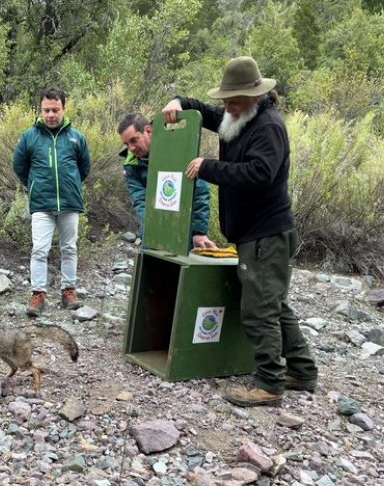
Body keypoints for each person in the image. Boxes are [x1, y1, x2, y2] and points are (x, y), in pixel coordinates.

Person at [161, 56, 318, 407]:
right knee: (273, 304)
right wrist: (180, 102)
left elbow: (260, 173)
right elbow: (206, 113)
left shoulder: (268, 127)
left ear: (254, 97)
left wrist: (209, 168)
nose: (226, 107)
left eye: (233, 101)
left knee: (259, 310)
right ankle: (303, 371)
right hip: (254, 233)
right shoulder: (238, 118)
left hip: (266, 234)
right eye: (225, 101)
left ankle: (269, 384)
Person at [13, 87, 91, 317]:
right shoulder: (30, 136)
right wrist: (35, 185)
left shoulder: (77, 137)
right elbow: (19, 166)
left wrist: (72, 184)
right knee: (39, 250)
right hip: (41, 204)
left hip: (69, 203)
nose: (50, 115)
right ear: (40, 109)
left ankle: (68, 293)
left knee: (69, 248)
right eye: (46, 110)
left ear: (63, 109)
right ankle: (38, 295)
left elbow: (84, 168)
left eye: (55, 110)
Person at [117, 112, 215, 249]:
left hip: (183, 232)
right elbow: (140, 201)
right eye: (126, 144)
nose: (131, 148)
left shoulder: (178, 150)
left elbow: (199, 191)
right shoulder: (131, 165)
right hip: (152, 233)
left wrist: (198, 232)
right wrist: (154, 230)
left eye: (134, 140)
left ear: (148, 131)